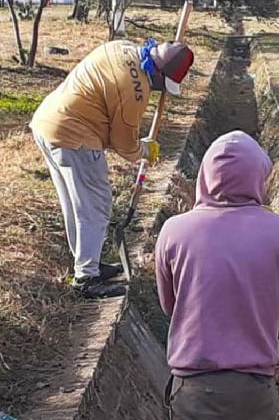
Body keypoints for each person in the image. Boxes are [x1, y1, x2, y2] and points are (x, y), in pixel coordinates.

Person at [155, 130, 279, 420]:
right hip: (256, 390)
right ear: (259, 177)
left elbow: (170, 306)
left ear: (204, 176)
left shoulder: (173, 230)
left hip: (196, 391)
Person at [30, 38, 194, 298]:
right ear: (159, 74)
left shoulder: (122, 46)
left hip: (47, 122)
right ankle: (86, 278)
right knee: (96, 204)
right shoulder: (135, 91)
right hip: (75, 136)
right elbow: (124, 146)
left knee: (76, 203)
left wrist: (138, 145)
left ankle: (87, 263)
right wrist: (144, 150)